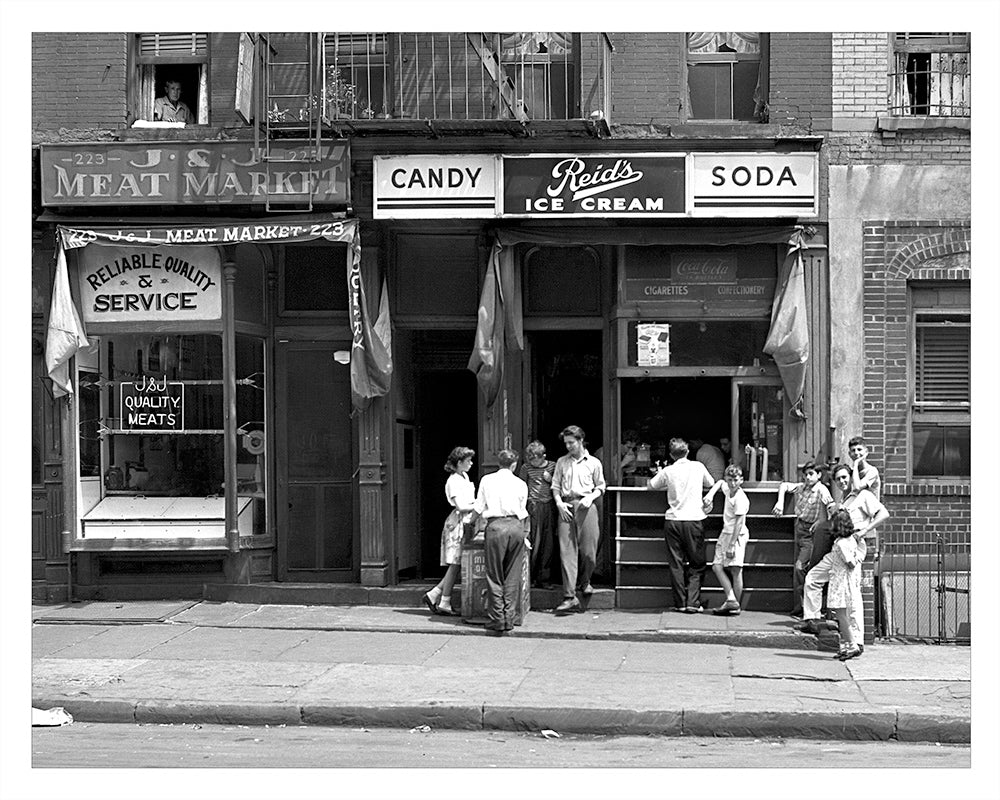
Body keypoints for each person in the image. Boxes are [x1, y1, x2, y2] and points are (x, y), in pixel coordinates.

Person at [800, 463, 890, 646]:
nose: (842, 481)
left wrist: (865, 531)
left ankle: (857, 641)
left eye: (844, 477)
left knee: (852, 596)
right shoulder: (844, 499)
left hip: (852, 545)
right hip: (837, 547)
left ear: (851, 476)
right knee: (813, 579)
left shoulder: (864, 495)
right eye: (838, 479)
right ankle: (813, 620)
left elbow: (884, 514)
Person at [647, 437, 716, 613]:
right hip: (694, 519)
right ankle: (693, 602)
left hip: (673, 520)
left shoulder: (668, 471)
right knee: (697, 563)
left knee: (676, 564)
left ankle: (680, 603)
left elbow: (651, 486)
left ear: (671, 455)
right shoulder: (698, 467)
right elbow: (711, 483)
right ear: (688, 452)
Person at [470, 448, 530, 636]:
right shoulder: (521, 483)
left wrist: (469, 522)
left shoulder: (487, 480)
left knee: (494, 574)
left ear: (499, 463)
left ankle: (497, 619)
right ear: (514, 465)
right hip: (515, 526)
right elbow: (523, 510)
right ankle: (509, 618)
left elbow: (479, 507)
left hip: (495, 527)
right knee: (512, 574)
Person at [551, 425, 606, 615]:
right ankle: (569, 595)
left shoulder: (594, 463)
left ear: (581, 441)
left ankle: (585, 580)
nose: (568, 446)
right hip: (566, 506)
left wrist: (591, 497)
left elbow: (601, 486)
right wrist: (558, 502)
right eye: (566, 443)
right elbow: (555, 485)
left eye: (571, 442)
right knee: (567, 550)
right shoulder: (561, 462)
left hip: (586, 505)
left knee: (589, 550)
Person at [771, 461, 836, 617]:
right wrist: (780, 502)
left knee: (801, 567)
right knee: (797, 568)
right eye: (806, 474)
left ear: (819, 475)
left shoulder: (821, 489)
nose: (808, 477)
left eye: (811, 474)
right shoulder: (801, 487)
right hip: (799, 527)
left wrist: (822, 520)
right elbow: (784, 486)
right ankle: (800, 606)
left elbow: (831, 506)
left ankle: (807, 606)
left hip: (810, 532)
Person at [422, 446, 475, 617]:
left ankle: (436, 595)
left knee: (457, 563)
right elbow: (461, 506)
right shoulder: (453, 481)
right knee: (455, 563)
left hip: (465, 522)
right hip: (457, 523)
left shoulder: (464, 476)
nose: (471, 464)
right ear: (459, 463)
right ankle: (443, 599)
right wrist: (479, 505)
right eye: (468, 461)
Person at [702, 465, 750, 615]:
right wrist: (710, 495)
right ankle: (731, 599)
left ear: (741, 480)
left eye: (735, 480)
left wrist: (731, 545)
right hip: (725, 532)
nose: (732, 483)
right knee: (717, 566)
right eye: (730, 480)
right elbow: (720, 483)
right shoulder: (727, 489)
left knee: (736, 570)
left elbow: (739, 523)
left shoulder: (741, 498)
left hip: (736, 535)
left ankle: (735, 605)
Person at [517, 440, 558, 588]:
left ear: (543, 456)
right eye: (530, 459)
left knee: (548, 544)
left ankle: (544, 579)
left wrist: (550, 479)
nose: (533, 462)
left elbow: (560, 485)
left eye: (536, 459)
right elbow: (521, 488)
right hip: (532, 507)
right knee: (533, 542)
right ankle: (530, 577)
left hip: (548, 506)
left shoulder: (553, 466)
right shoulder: (526, 468)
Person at [825, 508, 864, 661]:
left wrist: (854, 558)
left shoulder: (841, 543)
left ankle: (852, 644)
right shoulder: (850, 540)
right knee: (843, 615)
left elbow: (851, 563)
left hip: (841, 581)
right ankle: (847, 644)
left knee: (841, 615)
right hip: (844, 581)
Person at [848, 436, 881, 501]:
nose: (856, 453)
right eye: (853, 450)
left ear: (866, 452)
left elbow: (857, 487)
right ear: (849, 454)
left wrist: (856, 464)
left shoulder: (872, 471)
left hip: (871, 509)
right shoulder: (851, 472)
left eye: (859, 449)